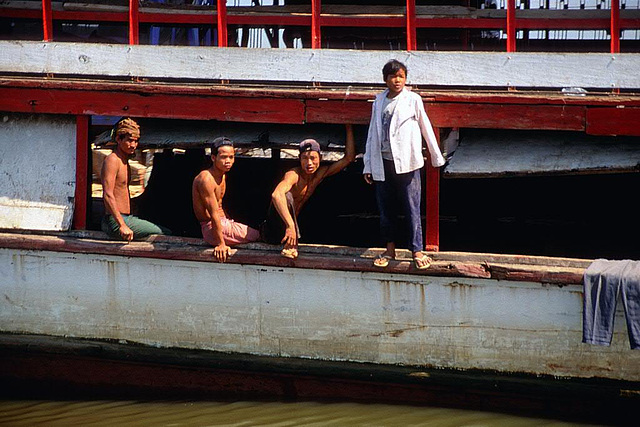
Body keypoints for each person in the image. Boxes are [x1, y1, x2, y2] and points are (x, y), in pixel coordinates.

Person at [363, 60, 446, 270]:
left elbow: (425, 127)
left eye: (400, 76)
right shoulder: (379, 100)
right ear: (385, 80)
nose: (397, 80)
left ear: (406, 78)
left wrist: (436, 157)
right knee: (386, 208)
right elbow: (373, 132)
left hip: (408, 163)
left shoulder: (413, 100)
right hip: (383, 162)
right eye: (392, 76)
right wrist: (368, 165)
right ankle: (389, 250)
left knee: (412, 207)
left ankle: (417, 250)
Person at [262, 124, 355, 259]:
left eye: (312, 158)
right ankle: (290, 244)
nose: (309, 163)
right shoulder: (294, 175)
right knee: (286, 195)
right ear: (299, 160)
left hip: (292, 230)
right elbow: (276, 195)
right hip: (273, 231)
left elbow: (349, 158)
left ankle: (293, 240)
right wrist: (290, 226)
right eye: (304, 158)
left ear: (320, 159)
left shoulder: (319, 175)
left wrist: (349, 127)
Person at [101, 118, 170, 241]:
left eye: (136, 141)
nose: (133, 145)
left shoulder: (124, 161)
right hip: (115, 221)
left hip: (127, 217)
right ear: (118, 139)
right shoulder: (112, 160)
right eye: (129, 141)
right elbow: (107, 194)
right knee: (165, 233)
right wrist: (122, 225)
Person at [192, 137, 260, 262]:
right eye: (223, 157)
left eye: (231, 157)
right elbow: (213, 214)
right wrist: (221, 244)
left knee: (260, 233)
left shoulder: (222, 175)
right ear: (213, 158)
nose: (228, 161)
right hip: (212, 228)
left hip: (223, 223)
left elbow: (220, 206)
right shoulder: (206, 179)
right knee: (260, 235)